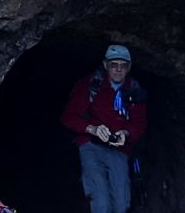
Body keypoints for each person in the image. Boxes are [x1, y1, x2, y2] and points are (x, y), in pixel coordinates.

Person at [60, 44, 148, 213]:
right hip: (91, 146)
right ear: (105, 64)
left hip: (120, 148)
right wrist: (92, 129)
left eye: (123, 66)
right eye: (114, 65)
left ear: (129, 67)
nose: (118, 70)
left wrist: (126, 133)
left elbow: (140, 123)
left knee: (121, 204)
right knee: (100, 202)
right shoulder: (92, 85)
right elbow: (68, 117)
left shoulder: (134, 90)